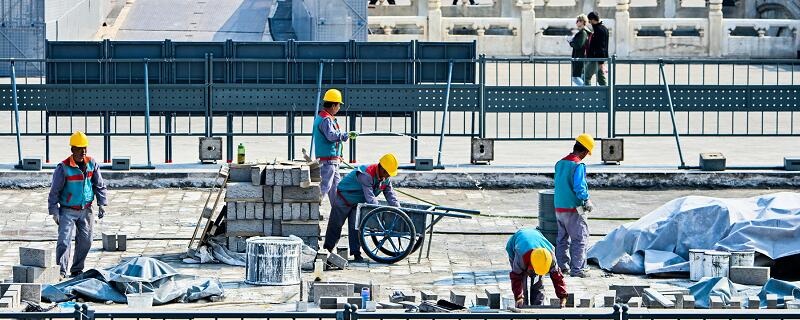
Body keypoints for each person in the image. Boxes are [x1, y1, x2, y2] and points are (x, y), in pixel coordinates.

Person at [48, 131, 108, 279]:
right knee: (64, 241)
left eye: (85, 148)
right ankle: (61, 271)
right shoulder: (63, 168)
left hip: (86, 209)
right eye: (80, 149)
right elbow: (54, 191)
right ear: (72, 149)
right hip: (67, 210)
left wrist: (102, 203)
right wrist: (54, 211)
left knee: (86, 241)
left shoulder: (92, 163)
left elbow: (99, 185)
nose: (83, 152)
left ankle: (77, 269)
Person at [323, 153, 401, 262]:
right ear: (382, 169)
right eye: (387, 173)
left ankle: (356, 253)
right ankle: (327, 250)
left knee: (355, 228)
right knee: (335, 225)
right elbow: (370, 198)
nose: (388, 176)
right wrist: (379, 212)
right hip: (344, 198)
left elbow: (391, 196)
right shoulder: (366, 174)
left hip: (358, 203)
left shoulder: (386, 179)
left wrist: (398, 210)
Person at [553, 133, 595, 278]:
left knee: (562, 239)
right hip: (573, 209)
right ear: (584, 151)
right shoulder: (578, 165)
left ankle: (562, 267)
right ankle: (578, 269)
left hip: (559, 208)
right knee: (579, 239)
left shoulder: (560, 163)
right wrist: (586, 200)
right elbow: (579, 187)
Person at [313, 89, 357, 204]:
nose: (339, 108)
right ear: (333, 105)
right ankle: (312, 210)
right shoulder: (326, 120)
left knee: (335, 190)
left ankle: (336, 214)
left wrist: (339, 155)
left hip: (332, 160)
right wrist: (344, 135)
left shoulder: (324, 117)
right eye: (338, 105)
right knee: (325, 187)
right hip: (327, 161)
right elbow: (331, 136)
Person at [507, 228, 568, 307]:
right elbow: (516, 277)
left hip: (536, 239)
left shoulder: (550, 258)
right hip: (517, 244)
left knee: (538, 284)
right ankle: (522, 307)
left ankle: (538, 307)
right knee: (522, 283)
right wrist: (518, 297)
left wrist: (563, 296)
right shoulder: (520, 257)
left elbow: (557, 277)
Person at [583, 12, 609, 86]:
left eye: (589, 20)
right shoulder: (604, 28)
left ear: (593, 20)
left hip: (596, 59)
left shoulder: (598, 30)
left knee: (586, 77)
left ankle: (588, 95)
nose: (589, 22)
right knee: (601, 78)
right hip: (601, 58)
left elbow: (601, 47)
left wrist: (601, 62)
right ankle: (606, 95)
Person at [568, 15, 591, 86]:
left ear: (583, 22)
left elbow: (578, 45)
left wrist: (571, 42)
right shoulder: (584, 32)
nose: (576, 23)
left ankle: (587, 90)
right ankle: (585, 93)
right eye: (576, 21)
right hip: (582, 58)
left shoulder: (583, 33)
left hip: (580, 58)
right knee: (582, 78)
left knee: (575, 78)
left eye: (578, 21)